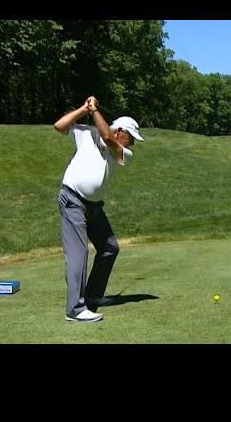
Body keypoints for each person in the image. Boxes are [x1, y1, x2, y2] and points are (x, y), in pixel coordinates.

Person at [53, 96, 144, 322]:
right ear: (121, 131)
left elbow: (106, 136)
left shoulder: (122, 152)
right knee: (78, 252)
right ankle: (74, 309)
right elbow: (60, 126)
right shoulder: (87, 134)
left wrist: (94, 112)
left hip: (93, 207)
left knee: (109, 247)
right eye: (131, 138)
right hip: (72, 199)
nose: (131, 144)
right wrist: (84, 109)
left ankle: (92, 298)